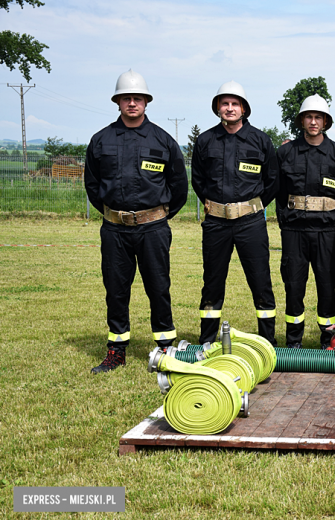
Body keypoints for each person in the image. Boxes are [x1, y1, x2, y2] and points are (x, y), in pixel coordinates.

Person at [85, 69, 188, 373]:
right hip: (114, 229)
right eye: (126, 98)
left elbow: (179, 187)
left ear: (146, 101)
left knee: (158, 286)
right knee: (116, 289)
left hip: (153, 228)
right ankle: (116, 349)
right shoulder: (101, 140)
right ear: (117, 102)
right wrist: (113, 213)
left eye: (137, 98)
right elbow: (92, 186)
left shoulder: (163, 140)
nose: (132, 103)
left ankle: (166, 348)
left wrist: (157, 216)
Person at [191, 81, 279, 346]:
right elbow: (197, 180)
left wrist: (252, 207)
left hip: (251, 223)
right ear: (218, 107)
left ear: (244, 109)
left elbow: (273, 180)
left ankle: (268, 342)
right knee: (212, 282)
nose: (229, 108)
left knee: (261, 281)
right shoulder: (205, 140)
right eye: (224, 103)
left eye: (234, 104)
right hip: (216, 223)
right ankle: (206, 340)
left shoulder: (261, 140)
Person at [276, 95, 335, 349]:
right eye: (309, 116)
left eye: (318, 117)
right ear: (301, 120)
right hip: (294, 231)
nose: (313, 122)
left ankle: (328, 339)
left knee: (327, 285)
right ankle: (293, 341)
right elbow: (277, 191)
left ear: (326, 121)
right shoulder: (285, 152)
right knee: (294, 285)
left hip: (326, 232)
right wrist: (285, 223)